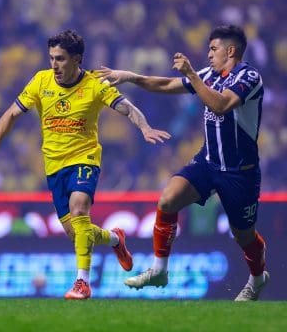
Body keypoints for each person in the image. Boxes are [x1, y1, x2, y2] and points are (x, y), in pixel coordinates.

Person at [0, 29, 170, 300]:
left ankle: (82, 283)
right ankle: (115, 239)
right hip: (53, 166)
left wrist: (145, 127)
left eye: (61, 59)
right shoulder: (40, 81)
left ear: (77, 59)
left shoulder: (94, 84)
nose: (54, 65)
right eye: (51, 58)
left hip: (85, 158)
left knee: (79, 210)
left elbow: (128, 107)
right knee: (76, 232)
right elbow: (10, 114)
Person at [97, 25, 269, 301]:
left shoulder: (248, 77)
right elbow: (166, 84)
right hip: (208, 161)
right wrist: (130, 77)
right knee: (168, 200)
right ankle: (159, 270)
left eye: (213, 49)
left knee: (243, 235)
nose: (209, 54)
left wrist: (191, 74)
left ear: (231, 50)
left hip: (240, 171)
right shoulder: (209, 74)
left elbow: (221, 105)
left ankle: (258, 279)